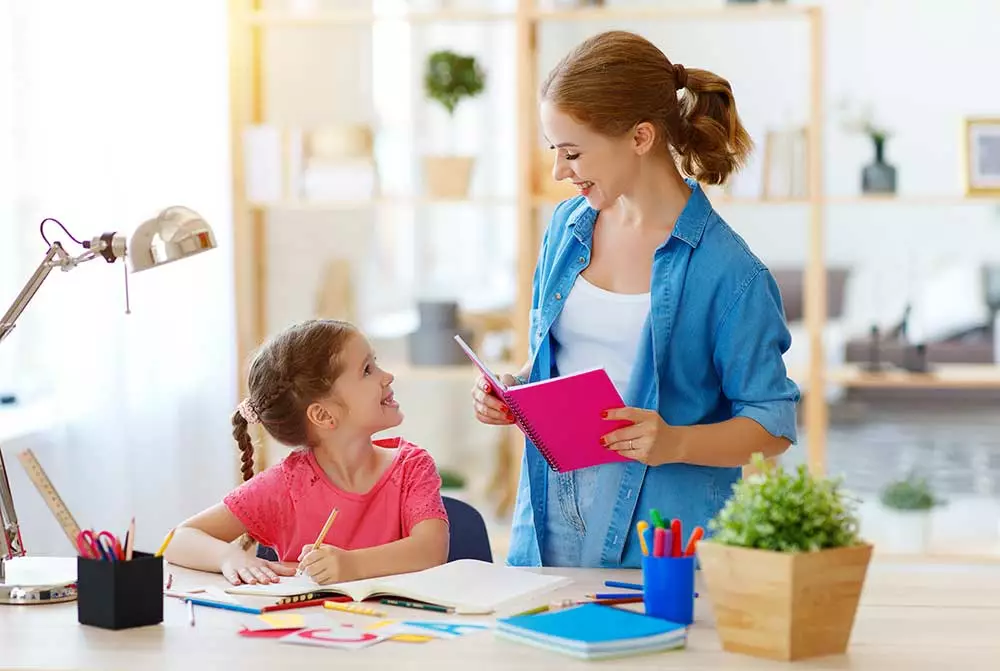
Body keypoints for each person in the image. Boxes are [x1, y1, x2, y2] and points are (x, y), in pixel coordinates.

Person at [471, 31, 800, 569]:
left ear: (641, 137)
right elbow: (566, 355)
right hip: (550, 518)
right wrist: (518, 389)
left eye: (573, 152)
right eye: (555, 151)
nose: (559, 171)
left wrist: (674, 443)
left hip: (661, 535)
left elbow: (773, 425)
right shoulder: (566, 229)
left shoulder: (729, 272)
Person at [165, 319, 450, 585]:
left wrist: (350, 566)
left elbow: (430, 550)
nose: (387, 376)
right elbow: (179, 539)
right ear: (324, 415)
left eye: (374, 363)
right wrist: (229, 556)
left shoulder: (413, 466)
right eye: (367, 370)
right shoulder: (287, 485)